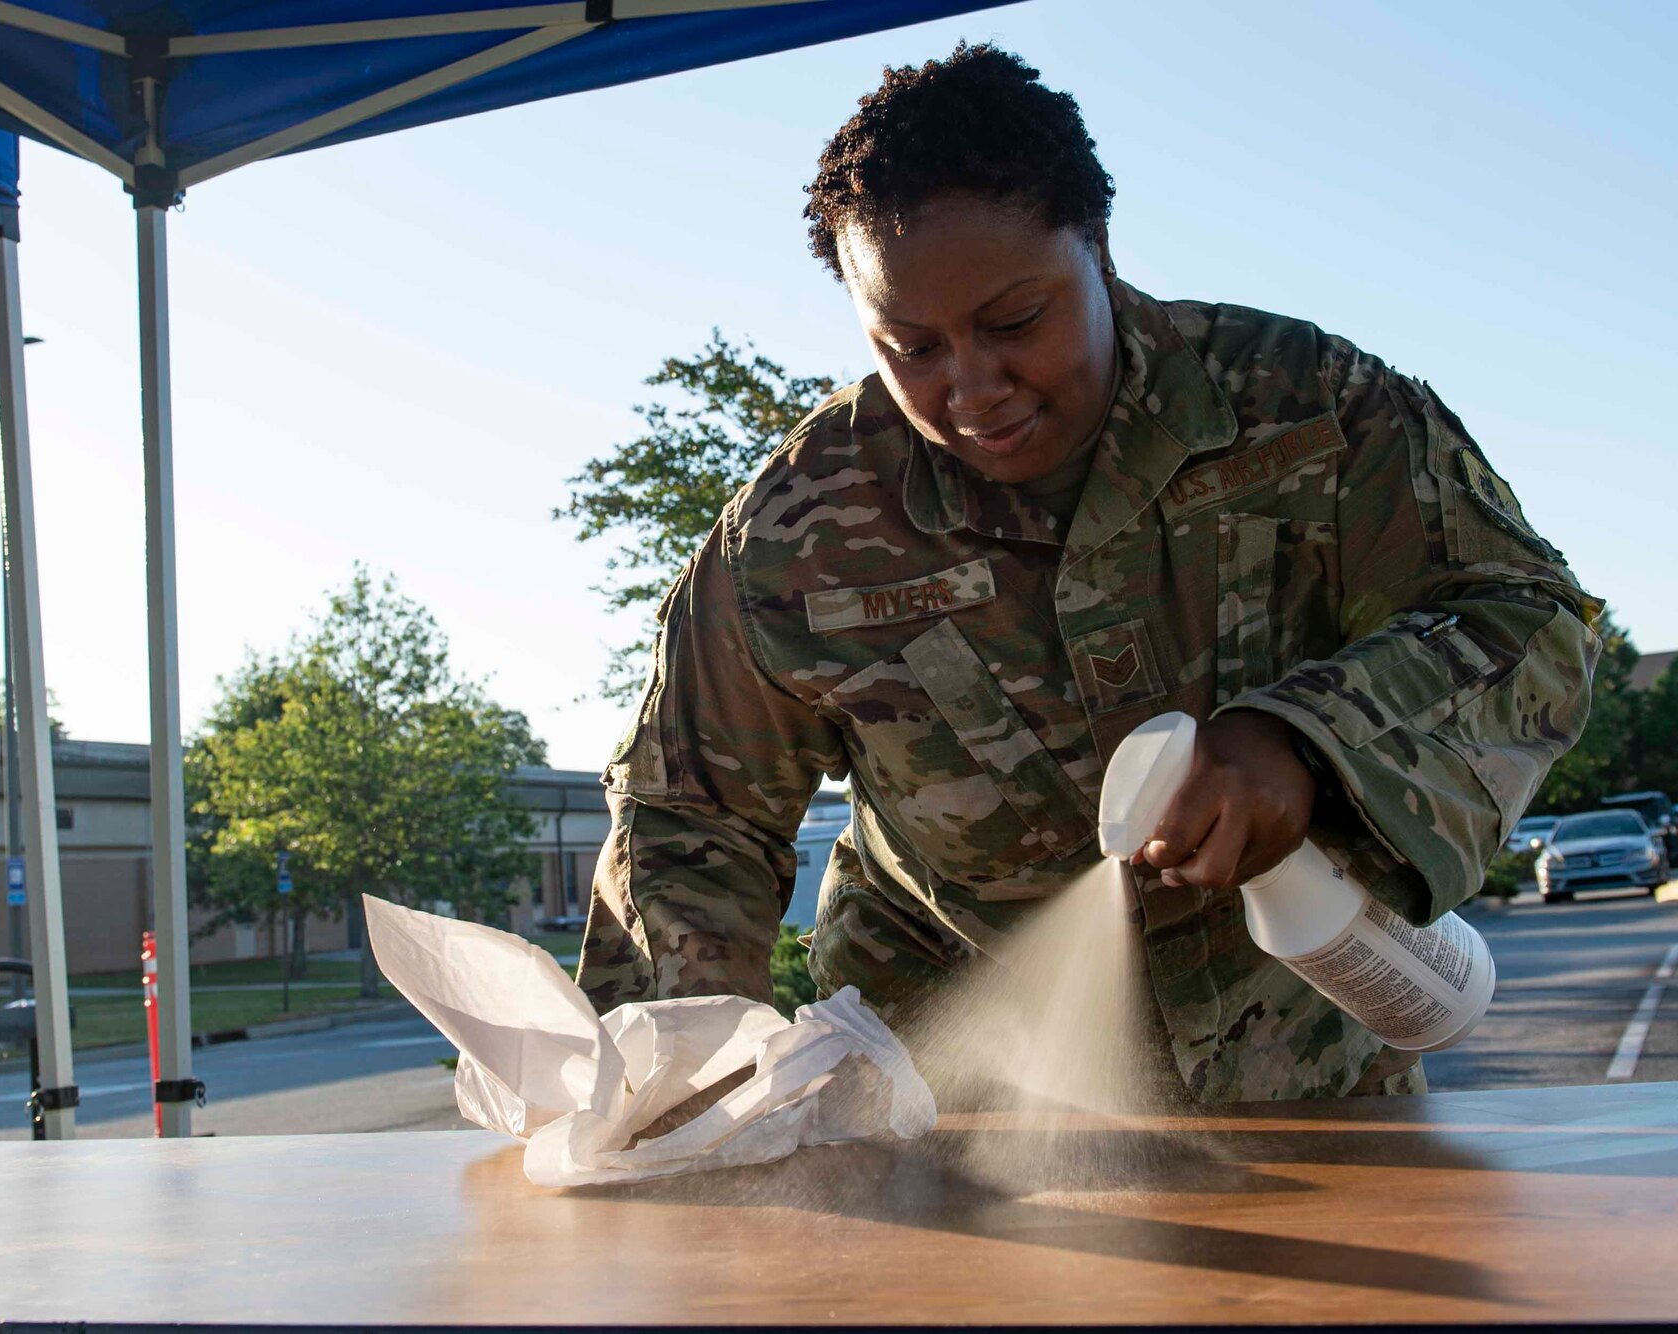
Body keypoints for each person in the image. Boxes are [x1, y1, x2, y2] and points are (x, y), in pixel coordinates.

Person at [574, 43, 1600, 1103]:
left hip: (1303, 1082)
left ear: (1097, 248)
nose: (971, 386)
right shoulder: (794, 529)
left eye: (1013, 322)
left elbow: (1523, 622)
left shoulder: (1311, 412)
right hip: (955, 1100)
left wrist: (1305, 742)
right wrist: (670, 1080)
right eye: (909, 346)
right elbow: (686, 810)